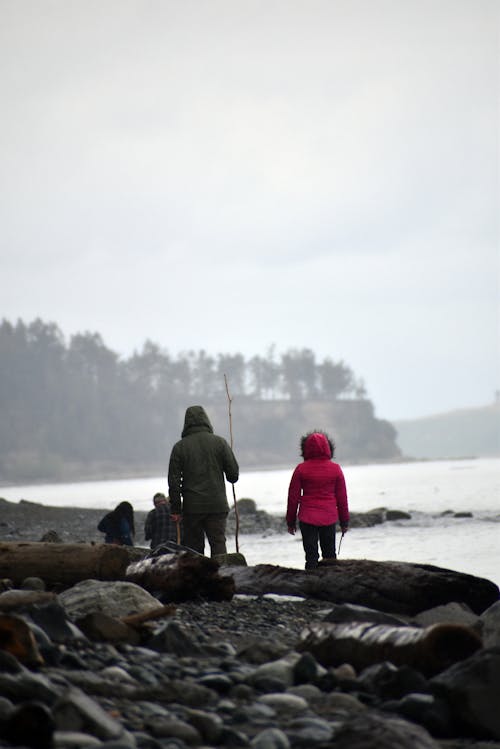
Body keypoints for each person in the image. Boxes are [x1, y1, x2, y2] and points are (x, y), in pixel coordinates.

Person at [168, 404, 239, 556]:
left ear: (186, 424)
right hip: (217, 505)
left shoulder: (179, 448)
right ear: (206, 421)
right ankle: (221, 574)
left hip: (192, 508)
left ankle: (198, 578)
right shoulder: (220, 443)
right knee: (218, 543)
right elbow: (233, 476)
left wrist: (175, 509)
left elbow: (174, 482)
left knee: (194, 548)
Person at [286, 430, 349, 570]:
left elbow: (293, 498)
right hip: (329, 517)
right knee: (330, 556)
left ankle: (310, 585)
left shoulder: (301, 469)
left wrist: (290, 522)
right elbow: (342, 498)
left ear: (305, 449)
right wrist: (344, 522)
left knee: (311, 556)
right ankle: (331, 586)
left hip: (307, 518)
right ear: (328, 448)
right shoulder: (336, 469)